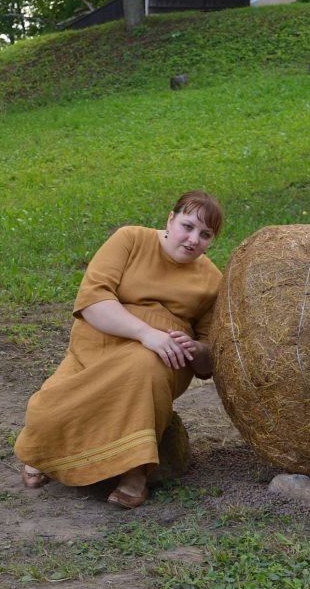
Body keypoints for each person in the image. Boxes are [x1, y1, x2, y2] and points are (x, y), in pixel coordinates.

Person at [14, 191, 223, 509]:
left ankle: (134, 470)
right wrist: (145, 333)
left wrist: (194, 347)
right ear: (170, 219)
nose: (194, 239)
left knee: (144, 366)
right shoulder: (131, 240)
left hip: (162, 358)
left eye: (205, 234)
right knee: (46, 414)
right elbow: (92, 301)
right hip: (99, 346)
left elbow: (209, 360)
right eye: (187, 226)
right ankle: (46, 451)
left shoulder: (212, 280)